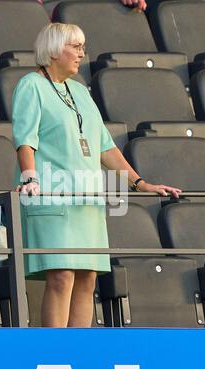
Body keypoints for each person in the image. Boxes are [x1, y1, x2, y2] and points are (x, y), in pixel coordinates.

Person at [12, 22, 181, 328]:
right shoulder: (31, 85)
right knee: (61, 275)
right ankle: (55, 357)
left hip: (88, 200)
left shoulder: (80, 91)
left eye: (83, 47)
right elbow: (25, 139)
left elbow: (105, 148)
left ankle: (79, 356)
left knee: (87, 278)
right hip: (53, 197)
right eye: (74, 47)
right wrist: (29, 177)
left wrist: (140, 183)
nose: (81, 53)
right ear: (52, 50)